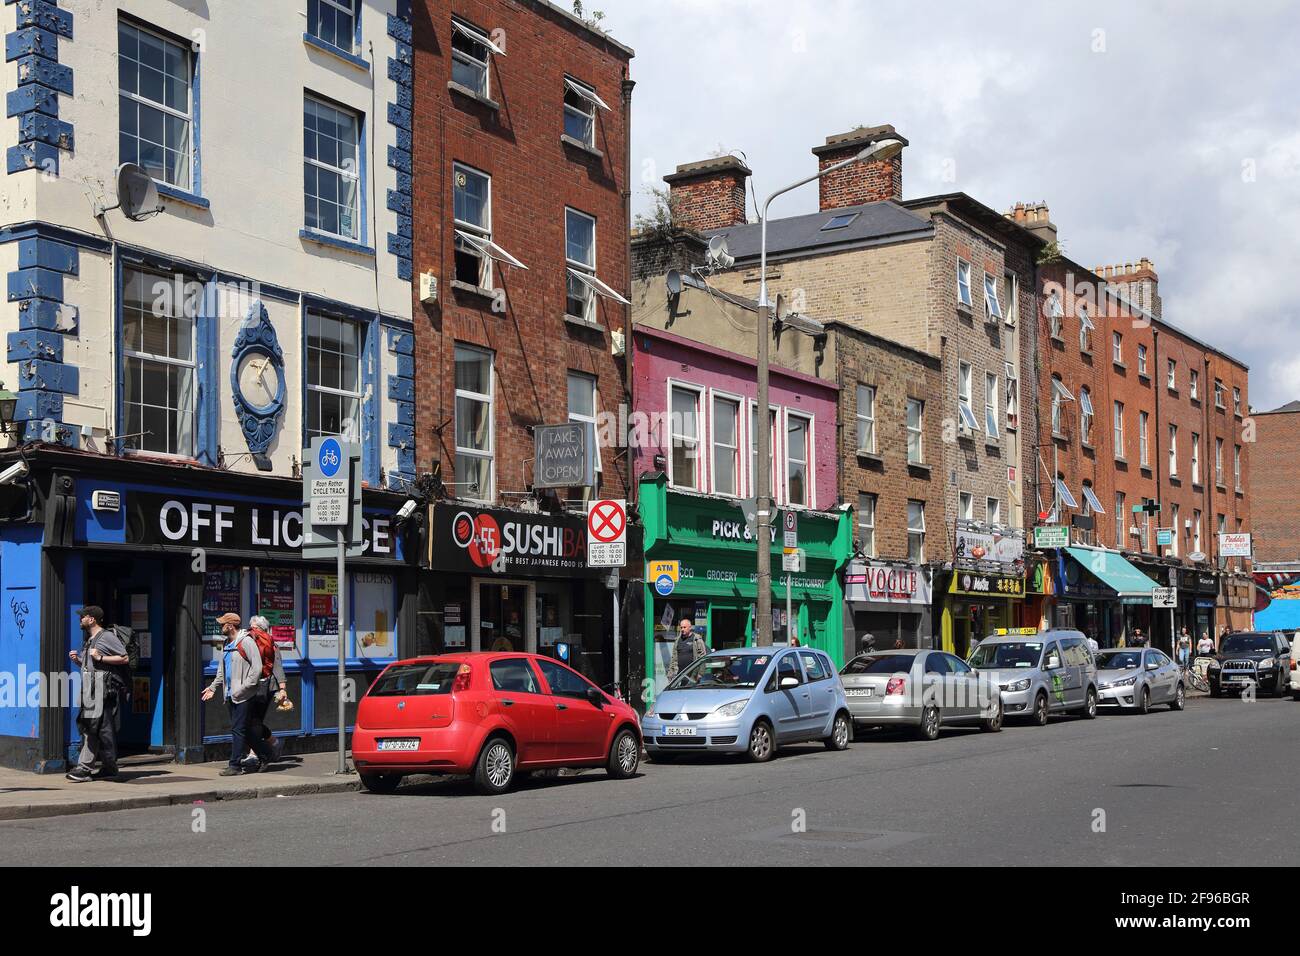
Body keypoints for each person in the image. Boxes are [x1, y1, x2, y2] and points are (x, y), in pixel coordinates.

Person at [201, 613, 273, 776]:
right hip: (230, 695)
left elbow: (257, 669)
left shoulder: (246, 642)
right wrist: (213, 687)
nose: (221, 627)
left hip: (244, 695)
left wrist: (242, 688)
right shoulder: (227, 643)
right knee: (244, 730)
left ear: (230, 626)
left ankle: (235, 766)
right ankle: (264, 754)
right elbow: (222, 670)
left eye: (222, 625)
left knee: (238, 729)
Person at [66, 606, 130, 783]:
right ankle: (110, 767)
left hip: (102, 691)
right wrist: (79, 661)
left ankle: (84, 769)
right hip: (90, 690)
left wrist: (101, 658)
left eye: (83, 617)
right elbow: (92, 666)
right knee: (101, 730)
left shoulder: (106, 637)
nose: (80, 620)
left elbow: (124, 658)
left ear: (92, 619)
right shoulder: (90, 639)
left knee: (91, 729)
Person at [243, 615, 290, 767]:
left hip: (265, 687)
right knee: (249, 720)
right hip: (248, 686)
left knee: (255, 720)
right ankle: (273, 742)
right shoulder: (248, 642)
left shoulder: (271, 644)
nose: (252, 630)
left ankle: (254, 753)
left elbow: (277, 666)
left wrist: (282, 689)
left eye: (255, 627)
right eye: (252, 627)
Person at [666, 617, 706, 681]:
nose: (682, 629)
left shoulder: (696, 639)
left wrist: (700, 673)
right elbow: (674, 658)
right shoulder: (678, 640)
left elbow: (702, 656)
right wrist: (670, 673)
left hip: (692, 675)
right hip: (679, 674)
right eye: (681, 627)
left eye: (684, 627)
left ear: (690, 627)